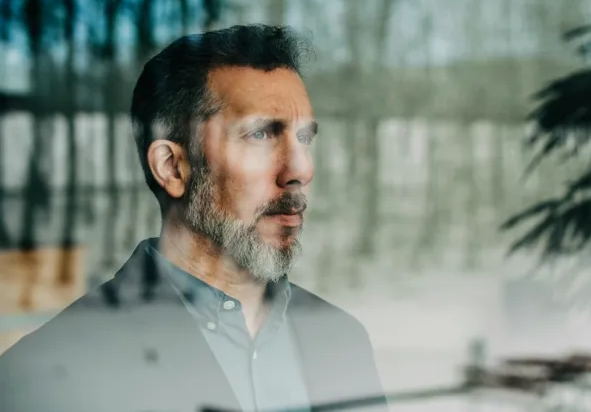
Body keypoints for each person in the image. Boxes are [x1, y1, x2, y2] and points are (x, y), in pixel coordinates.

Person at [0, 25, 388, 412]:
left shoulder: (343, 341)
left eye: (304, 138)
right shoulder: (44, 377)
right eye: (262, 135)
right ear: (172, 167)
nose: (300, 170)